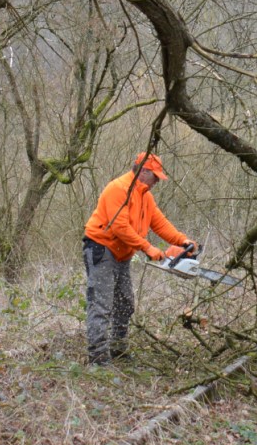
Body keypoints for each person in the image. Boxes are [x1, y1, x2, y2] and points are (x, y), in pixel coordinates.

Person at [82, 152, 197, 365]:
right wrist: (147, 248)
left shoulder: (145, 196)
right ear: (143, 171)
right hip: (102, 248)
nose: (156, 181)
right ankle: (98, 359)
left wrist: (182, 241)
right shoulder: (118, 189)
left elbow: (160, 224)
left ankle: (118, 349)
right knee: (102, 305)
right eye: (154, 176)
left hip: (123, 253)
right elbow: (120, 227)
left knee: (125, 302)